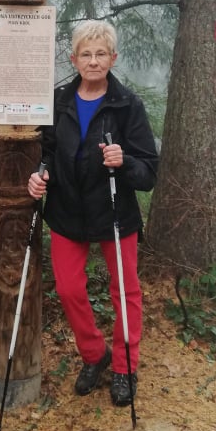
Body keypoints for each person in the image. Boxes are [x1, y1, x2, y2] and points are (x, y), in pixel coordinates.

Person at [28, 21, 158, 407]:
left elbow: (148, 172)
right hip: (67, 211)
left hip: (115, 212)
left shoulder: (127, 105)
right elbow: (47, 152)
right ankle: (94, 354)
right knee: (68, 289)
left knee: (125, 292)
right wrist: (40, 174)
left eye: (101, 54)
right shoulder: (59, 101)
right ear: (74, 59)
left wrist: (125, 160)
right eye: (86, 54)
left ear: (113, 58)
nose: (94, 61)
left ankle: (124, 367)